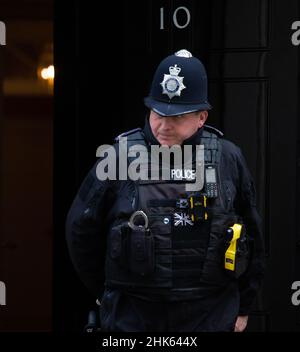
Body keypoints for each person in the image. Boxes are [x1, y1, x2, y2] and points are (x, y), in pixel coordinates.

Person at [66, 49, 265, 332]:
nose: (163, 125)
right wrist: (107, 292)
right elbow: (80, 231)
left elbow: (254, 236)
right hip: (135, 317)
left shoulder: (227, 157)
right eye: (157, 113)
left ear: (201, 118)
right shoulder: (120, 156)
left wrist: (244, 306)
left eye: (177, 117)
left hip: (210, 315)